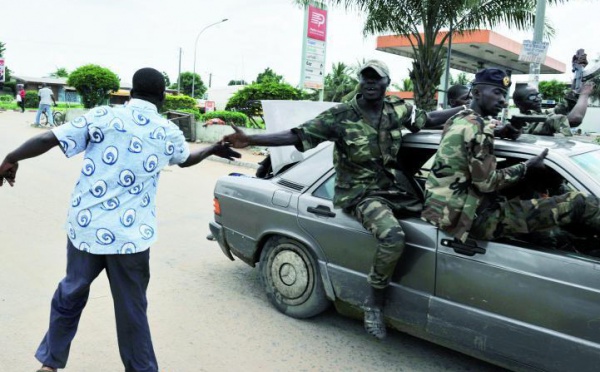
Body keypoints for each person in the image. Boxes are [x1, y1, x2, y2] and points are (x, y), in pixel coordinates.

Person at [0, 67, 240, 372]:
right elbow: (185, 159)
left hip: (87, 229)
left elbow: (50, 138)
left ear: (131, 92)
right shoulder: (167, 131)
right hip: (131, 238)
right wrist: (213, 149)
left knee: (70, 293)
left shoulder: (102, 115)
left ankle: (50, 364)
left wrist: (11, 157)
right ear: (162, 96)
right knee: (132, 309)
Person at [220, 59, 466, 340]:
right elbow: (296, 135)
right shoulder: (340, 115)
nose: (370, 83)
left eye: (377, 78)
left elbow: (429, 119)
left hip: (392, 190)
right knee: (393, 236)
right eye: (366, 78)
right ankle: (373, 303)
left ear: (387, 83)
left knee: (443, 218)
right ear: (360, 82)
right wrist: (252, 138)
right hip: (359, 193)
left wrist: (465, 109)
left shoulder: (397, 109)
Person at [421, 67, 600, 247]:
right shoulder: (479, 127)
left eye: (504, 95)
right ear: (476, 93)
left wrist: (498, 131)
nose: (502, 101)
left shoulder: (458, 118)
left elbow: (464, 140)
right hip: (472, 220)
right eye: (497, 93)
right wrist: (526, 166)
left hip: (444, 212)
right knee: (580, 202)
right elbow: (486, 183)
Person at [512, 81, 594, 136]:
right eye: (532, 97)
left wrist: (575, 90)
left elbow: (562, 107)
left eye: (539, 95)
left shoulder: (540, 114)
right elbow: (575, 119)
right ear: (518, 104)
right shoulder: (524, 124)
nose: (538, 99)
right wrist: (584, 94)